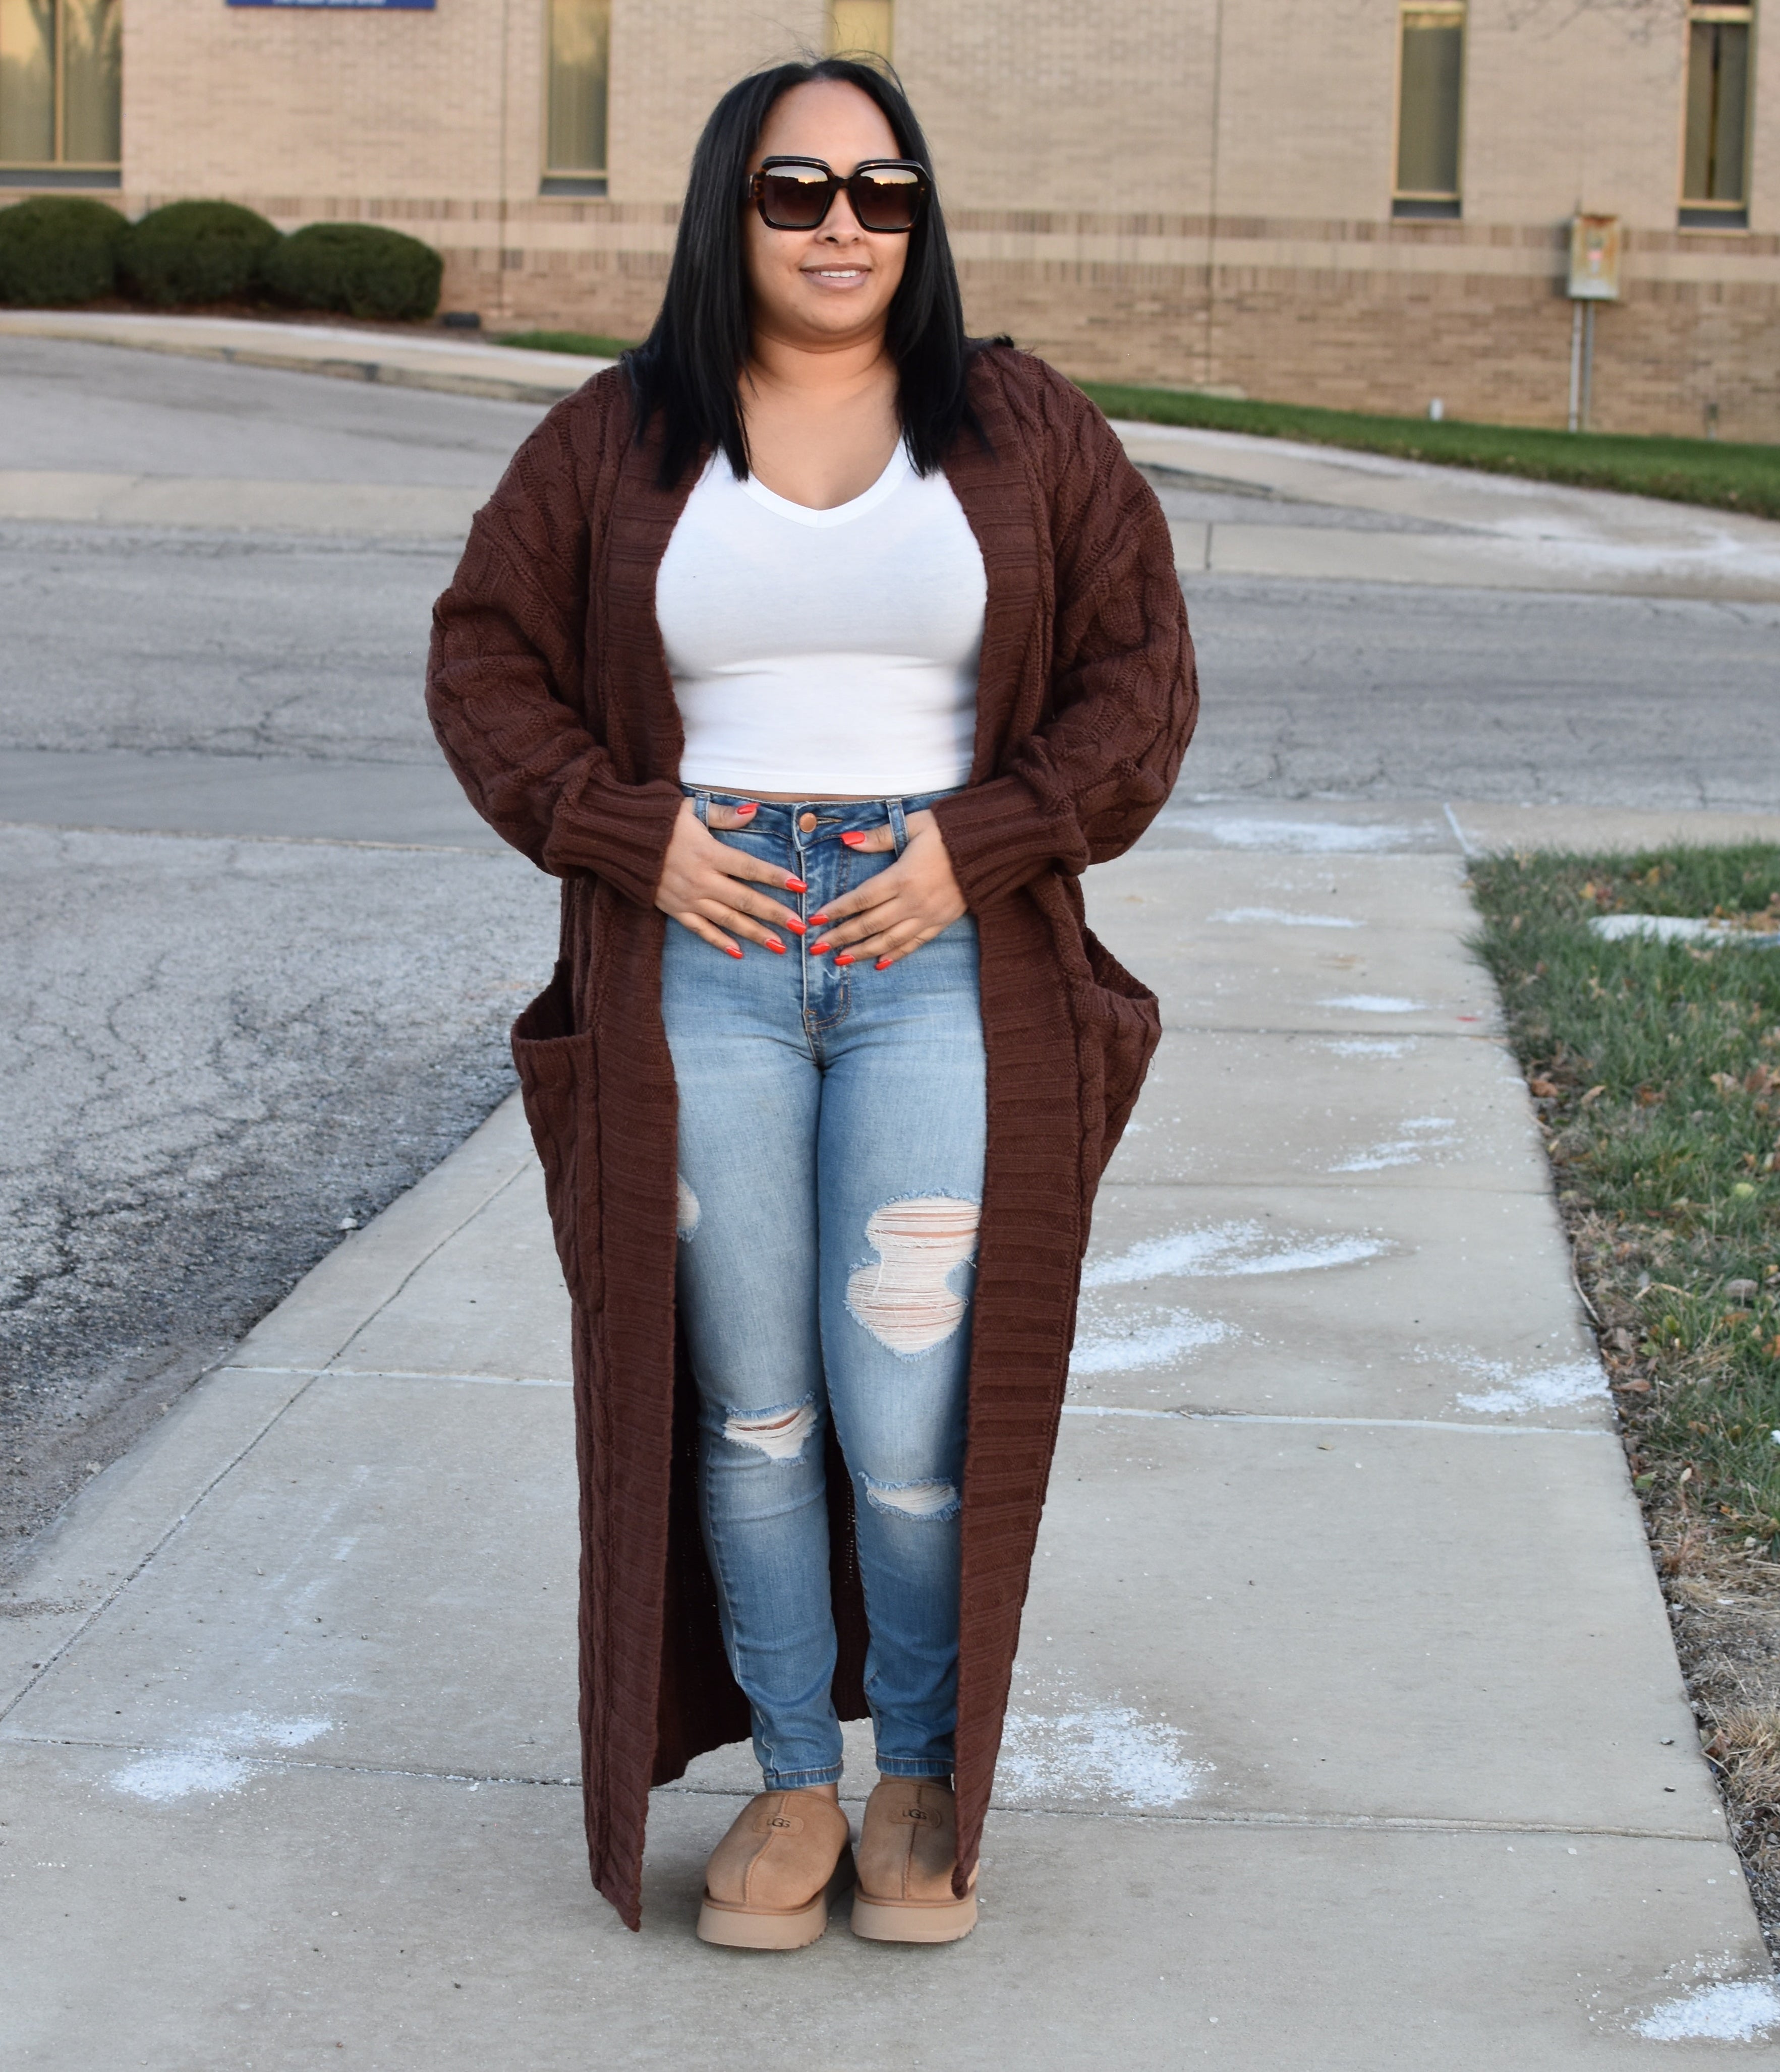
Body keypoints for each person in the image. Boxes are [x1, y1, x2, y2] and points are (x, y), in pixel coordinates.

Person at [426, 55, 1197, 1947]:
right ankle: (790, 1777)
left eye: (883, 190)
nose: (844, 225)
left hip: (937, 956)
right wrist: (627, 834)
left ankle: (917, 1772)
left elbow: (1141, 673)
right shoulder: (619, 436)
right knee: (751, 1404)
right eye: (797, 190)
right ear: (731, 208)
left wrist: (982, 844)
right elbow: (483, 662)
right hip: (705, 959)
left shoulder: (1019, 425)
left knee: (912, 1409)